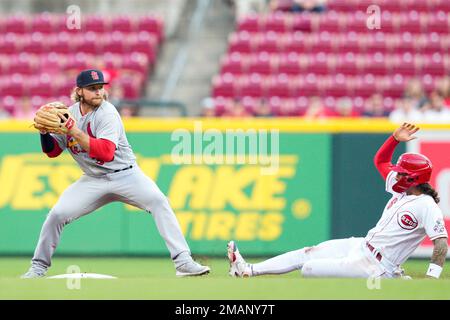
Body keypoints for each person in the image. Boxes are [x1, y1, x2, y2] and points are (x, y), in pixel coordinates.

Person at [21, 69, 210, 278]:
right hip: (92, 179)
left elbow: (106, 153)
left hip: (126, 175)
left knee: (158, 201)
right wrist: (44, 133)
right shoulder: (69, 114)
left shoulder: (107, 112)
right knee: (56, 215)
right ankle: (38, 267)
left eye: (100, 87)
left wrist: (73, 131)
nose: (98, 92)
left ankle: (183, 261)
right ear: (79, 91)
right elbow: (53, 152)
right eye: (92, 89)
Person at [227, 123, 448, 279]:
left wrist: (432, 277)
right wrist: (394, 140)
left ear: (414, 178)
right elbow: (380, 160)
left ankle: (394, 279)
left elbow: (441, 243)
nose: (396, 175)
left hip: (377, 266)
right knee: (309, 252)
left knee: (309, 269)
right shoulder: (401, 190)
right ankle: (248, 270)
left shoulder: (426, 206)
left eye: (401, 173)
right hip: (362, 245)